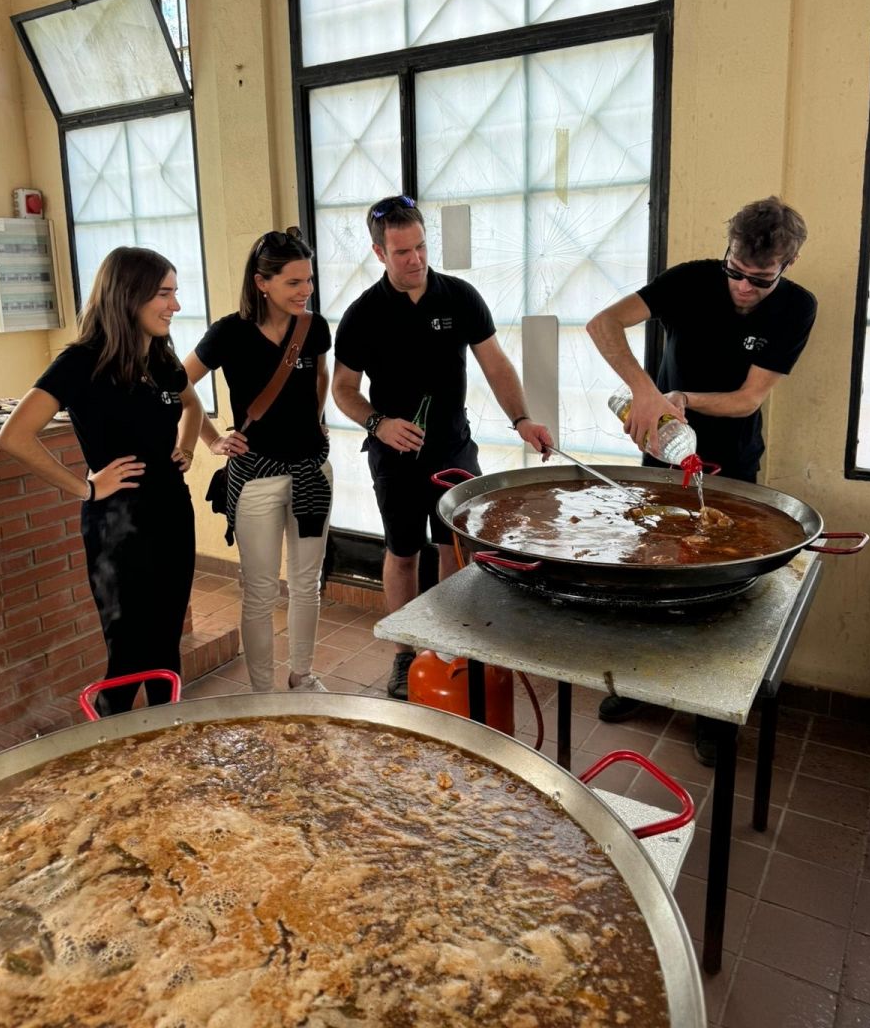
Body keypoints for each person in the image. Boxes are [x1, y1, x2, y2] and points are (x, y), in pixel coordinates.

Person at [586, 195, 817, 762]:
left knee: (719, 584)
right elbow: (603, 323)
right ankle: (639, 684)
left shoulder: (796, 308)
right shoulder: (692, 280)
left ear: (784, 268)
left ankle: (710, 710)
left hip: (732, 461)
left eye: (758, 280)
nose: (742, 286)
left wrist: (681, 397)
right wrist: (646, 392)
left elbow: (746, 400)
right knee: (651, 568)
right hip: (664, 454)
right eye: (734, 271)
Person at [332, 195, 553, 700]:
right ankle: (405, 652)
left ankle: (453, 640)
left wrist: (521, 418)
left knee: (455, 549)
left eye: (421, 247)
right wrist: (377, 423)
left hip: (454, 448)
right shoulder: (363, 314)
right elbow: (342, 389)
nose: (415, 259)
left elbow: (496, 364)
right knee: (403, 551)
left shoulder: (459, 298)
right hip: (395, 455)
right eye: (402, 251)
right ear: (379, 252)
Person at [0, 247, 202, 717]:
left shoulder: (162, 356)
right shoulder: (80, 362)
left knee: (166, 644)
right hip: (118, 526)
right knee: (129, 653)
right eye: (164, 294)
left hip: (172, 511)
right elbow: (15, 435)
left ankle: (164, 740)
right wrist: (84, 487)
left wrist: (186, 448)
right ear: (128, 297)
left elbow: (192, 406)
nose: (175, 305)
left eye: (175, 293)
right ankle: (109, 751)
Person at [179, 228, 332, 695]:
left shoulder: (314, 327)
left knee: (308, 586)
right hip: (256, 478)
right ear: (262, 282)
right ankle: (262, 693)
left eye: (308, 281)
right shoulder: (229, 333)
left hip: (312, 470)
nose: (305, 291)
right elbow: (178, 384)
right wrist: (211, 439)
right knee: (261, 591)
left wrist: (318, 421)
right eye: (293, 283)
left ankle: (302, 676)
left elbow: (320, 376)